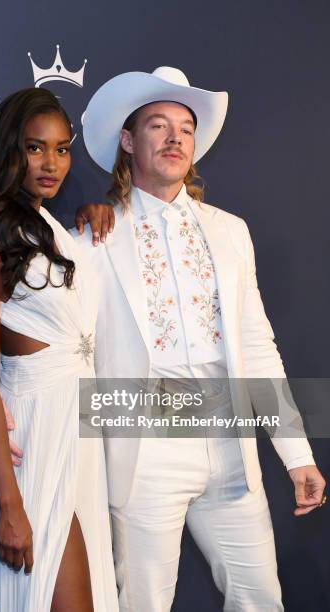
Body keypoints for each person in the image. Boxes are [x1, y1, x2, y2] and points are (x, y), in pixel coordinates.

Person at [70, 66, 326, 611]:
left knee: (261, 600)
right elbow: (66, 345)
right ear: (127, 141)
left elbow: (258, 343)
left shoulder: (230, 231)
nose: (174, 138)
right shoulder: (93, 237)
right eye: (158, 125)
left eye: (184, 128)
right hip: (146, 453)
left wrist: (297, 455)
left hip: (231, 447)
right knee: (142, 604)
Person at [0, 87, 118, 612]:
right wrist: (9, 505)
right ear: (9, 151)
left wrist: (88, 220)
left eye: (62, 148)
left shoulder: (53, 230)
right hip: (32, 438)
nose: (52, 163)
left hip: (77, 432)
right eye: (35, 148)